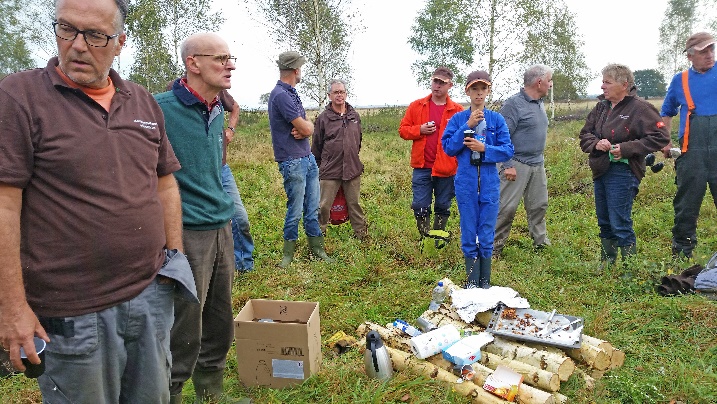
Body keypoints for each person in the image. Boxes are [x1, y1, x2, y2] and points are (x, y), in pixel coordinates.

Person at [0, 0, 195, 402]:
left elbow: (164, 184)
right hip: (72, 313)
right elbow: (4, 204)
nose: (77, 46)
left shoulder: (140, 101)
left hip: (149, 297)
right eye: (66, 29)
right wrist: (12, 307)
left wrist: (173, 255)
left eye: (96, 36)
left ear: (121, 42)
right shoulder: (19, 97)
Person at [156, 33, 243, 403]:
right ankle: (171, 393)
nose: (231, 65)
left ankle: (211, 393)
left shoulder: (217, 107)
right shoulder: (157, 109)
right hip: (186, 232)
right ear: (193, 63)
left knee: (220, 319)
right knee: (183, 325)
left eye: (231, 57)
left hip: (221, 226)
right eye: (221, 58)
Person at [579, 64, 669, 268]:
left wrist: (627, 148)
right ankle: (607, 264)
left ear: (624, 85)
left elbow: (661, 137)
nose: (602, 87)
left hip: (624, 172)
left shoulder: (641, 108)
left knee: (620, 222)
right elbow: (585, 134)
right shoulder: (601, 107)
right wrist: (596, 143)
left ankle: (630, 269)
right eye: (602, 82)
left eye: (607, 82)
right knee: (604, 220)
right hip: (601, 169)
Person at [442, 71, 514, 288]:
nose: (479, 93)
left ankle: (485, 285)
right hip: (466, 183)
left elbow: (507, 150)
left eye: (483, 89)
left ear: (488, 91)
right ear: (467, 91)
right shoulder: (458, 119)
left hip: (490, 183)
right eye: (475, 89)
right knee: (469, 232)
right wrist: (467, 126)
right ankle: (472, 284)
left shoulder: (496, 119)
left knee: (486, 233)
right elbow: (448, 148)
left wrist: (485, 149)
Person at [268, 50, 333, 267]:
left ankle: (317, 249)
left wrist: (306, 129)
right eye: (301, 68)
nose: (301, 71)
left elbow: (307, 126)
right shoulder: (281, 95)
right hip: (292, 161)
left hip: (307, 157)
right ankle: (288, 256)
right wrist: (306, 129)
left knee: (312, 207)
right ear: (296, 70)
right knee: (295, 209)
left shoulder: (291, 92)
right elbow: (306, 126)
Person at [661, 32, 717, 259]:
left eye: (711, 49)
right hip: (691, 153)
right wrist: (665, 141)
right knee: (687, 205)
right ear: (690, 56)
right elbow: (666, 113)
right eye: (704, 51)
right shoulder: (680, 80)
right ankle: (683, 252)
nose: (710, 55)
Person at [493, 65, 554, 256]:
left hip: (537, 163)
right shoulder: (513, 104)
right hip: (516, 164)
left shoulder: (539, 102)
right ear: (539, 82)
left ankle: (541, 243)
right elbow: (501, 137)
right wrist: (508, 164)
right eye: (549, 80)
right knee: (506, 207)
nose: (551, 84)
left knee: (539, 205)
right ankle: (493, 247)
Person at [399, 67, 463, 240]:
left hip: (447, 168)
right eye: (435, 81)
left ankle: (437, 238)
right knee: (420, 205)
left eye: (442, 83)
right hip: (422, 166)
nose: (437, 85)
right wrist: (419, 130)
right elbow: (403, 131)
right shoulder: (416, 106)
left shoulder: (457, 111)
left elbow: (463, 140)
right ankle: (425, 237)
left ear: (450, 85)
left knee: (443, 205)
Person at [312, 79, 368, 240]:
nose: (339, 95)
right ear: (329, 95)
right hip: (330, 170)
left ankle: (362, 236)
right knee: (323, 206)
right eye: (336, 92)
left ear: (346, 94)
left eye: (342, 92)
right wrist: (319, 167)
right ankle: (318, 239)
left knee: (354, 205)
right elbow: (316, 146)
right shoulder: (323, 118)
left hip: (352, 169)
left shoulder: (354, 116)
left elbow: (358, 141)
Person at [220, 91, 255, 272]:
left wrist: (230, 129)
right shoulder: (174, 89)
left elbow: (234, 107)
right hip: (190, 171)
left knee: (239, 217)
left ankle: (243, 265)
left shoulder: (217, 90)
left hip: (220, 168)